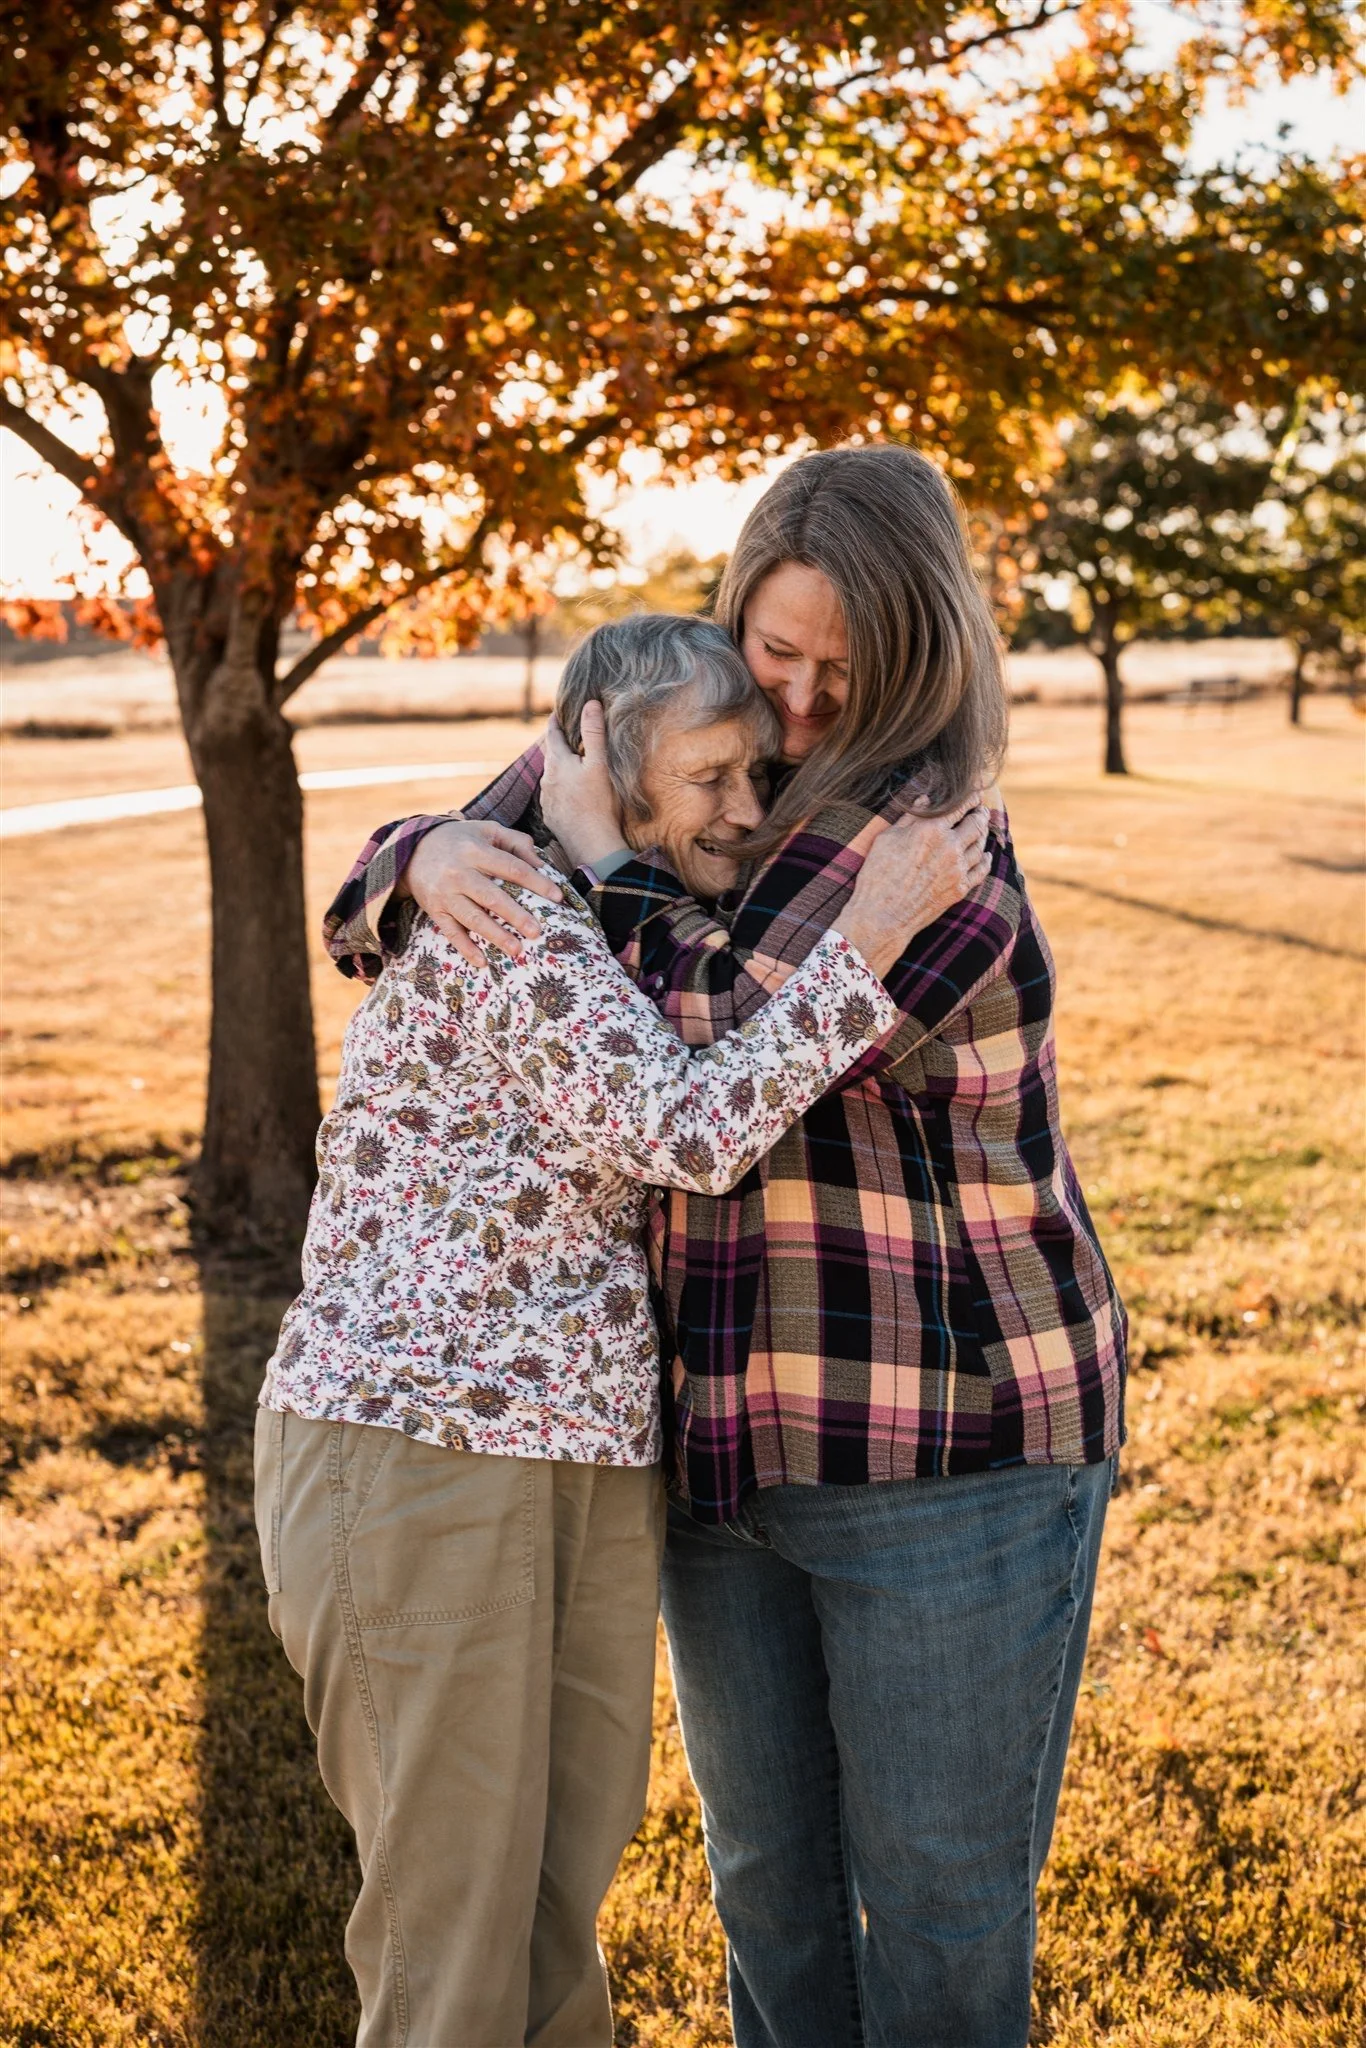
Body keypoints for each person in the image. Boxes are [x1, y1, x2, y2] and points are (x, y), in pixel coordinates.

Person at [322, 445, 1127, 2048]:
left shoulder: (928, 845)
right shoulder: (679, 761)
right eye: (777, 653)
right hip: (720, 1452)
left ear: (922, 654)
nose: (809, 701)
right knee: (764, 1898)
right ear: (728, 618)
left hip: (942, 1456)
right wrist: (415, 852)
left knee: (939, 1919)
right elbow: (381, 921)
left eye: (850, 663)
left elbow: (689, 1047)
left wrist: (543, 843)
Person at [258, 610, 990, 2048]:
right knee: (454, 1946)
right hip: (418, 1445)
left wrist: (401, 846)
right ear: (594, 732)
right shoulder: (508, 901)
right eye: (709, 773)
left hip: (579, 1453)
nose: (741, 807)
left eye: (753, 775)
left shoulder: (600, 898)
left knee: (547, 1914)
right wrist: (873, 933)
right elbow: (682, 1128)